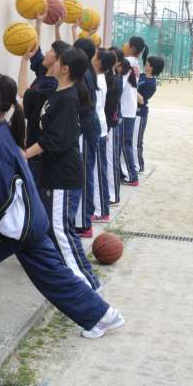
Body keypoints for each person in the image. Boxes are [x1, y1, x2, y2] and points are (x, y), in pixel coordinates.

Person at [0, 74, 124, 338]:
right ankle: (102, 315)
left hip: (18, 224)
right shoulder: (4, 131)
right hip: (29, 220)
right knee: (52, 274)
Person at [24, 47, 101, 291]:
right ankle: (81, 285)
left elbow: (54, 140)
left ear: (65, 68)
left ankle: (88, 287)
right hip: (54, 175)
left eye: (57, 59)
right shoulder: (58, 93)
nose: (53, 61)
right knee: (57, 230)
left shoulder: (68, 99)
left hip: (64, 177)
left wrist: (23, 154)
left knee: (61, 232)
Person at [18, 15, 68, 182]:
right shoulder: (44, 72)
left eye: (51, 51)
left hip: (39, 147)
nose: (47, 52)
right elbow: (34, 48)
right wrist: (38, 22)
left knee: (36, 185)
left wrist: (23, 61)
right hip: (32, 140)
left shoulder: (51, 86)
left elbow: (22, 92)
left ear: (58, 60)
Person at [72, 37, 102, 238]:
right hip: (89, 128)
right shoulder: (86, 71)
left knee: (83, 176)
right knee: (85, 174)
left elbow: (82, 107)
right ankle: (83, 219)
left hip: (86, 130)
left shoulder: (84, 75)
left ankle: (84, 223)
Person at [91, 49, 117, 223]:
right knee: (98, 170)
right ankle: (100, 207)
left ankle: (102, 211)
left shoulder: (98, 79)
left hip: (99, 129)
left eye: (94, 56)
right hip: (100, 128)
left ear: (99, 62)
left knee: (98, 171)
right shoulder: (99, 76)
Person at [133, 56, 165, 172]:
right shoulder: (142, 76)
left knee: (136, 141)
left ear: (151, 67)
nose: (145, 65)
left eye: (147, 64)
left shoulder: (151, 83)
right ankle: (132, 165)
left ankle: (139, 166)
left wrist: (132, 88)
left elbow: (142, 100)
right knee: (131, 140)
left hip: (140, 114)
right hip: (132, 112)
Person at [105, 47, 124, 205]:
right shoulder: (107, 77)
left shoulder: (116, 80)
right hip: (108, 124)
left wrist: (108, 126)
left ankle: (113, 195)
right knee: (107, 160)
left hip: (111, 124)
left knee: (111, 160)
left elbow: (110, 107)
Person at [119, 58, 139, 186]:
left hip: (126, 113)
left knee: (125, 144)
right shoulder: (131, 73)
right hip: (129, 112)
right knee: (125, 144)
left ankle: (132, 176)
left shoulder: (125, 75)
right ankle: (125, 173)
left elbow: (118, 89)